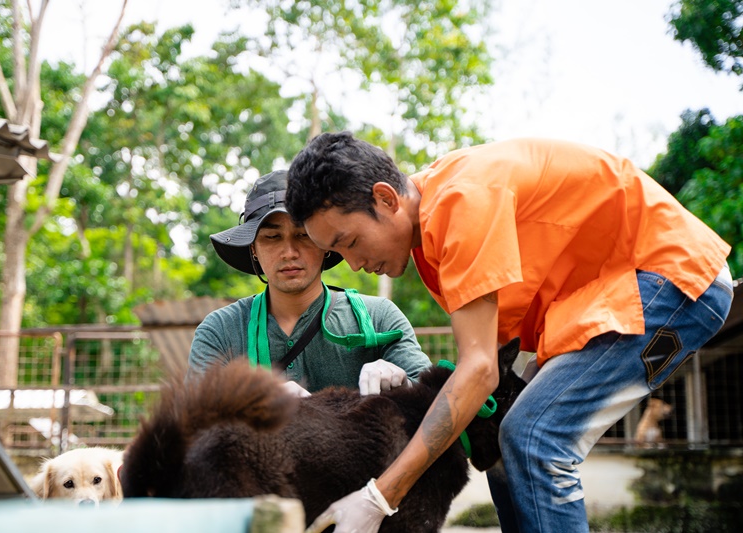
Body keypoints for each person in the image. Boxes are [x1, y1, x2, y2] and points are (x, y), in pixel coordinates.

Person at [286, 132, 734, 533]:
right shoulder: (430, 240)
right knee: (506, 434)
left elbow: (479, 372)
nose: (355, 262)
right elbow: (484, 370)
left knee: (534, 436)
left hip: (673, 281)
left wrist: (380, 496)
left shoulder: (461, 202)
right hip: (597, 304)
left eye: (348, 241)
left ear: (386, 199)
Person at [187, 169, 431, 397]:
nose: (289, 252)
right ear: (253, 249)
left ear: (324, 242)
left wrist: (405, 385)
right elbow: (191, 423)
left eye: (303, 235)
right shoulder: (221, 331)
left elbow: (436, 400)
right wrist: (252, 404)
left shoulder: (379, 318)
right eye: (272, 237)